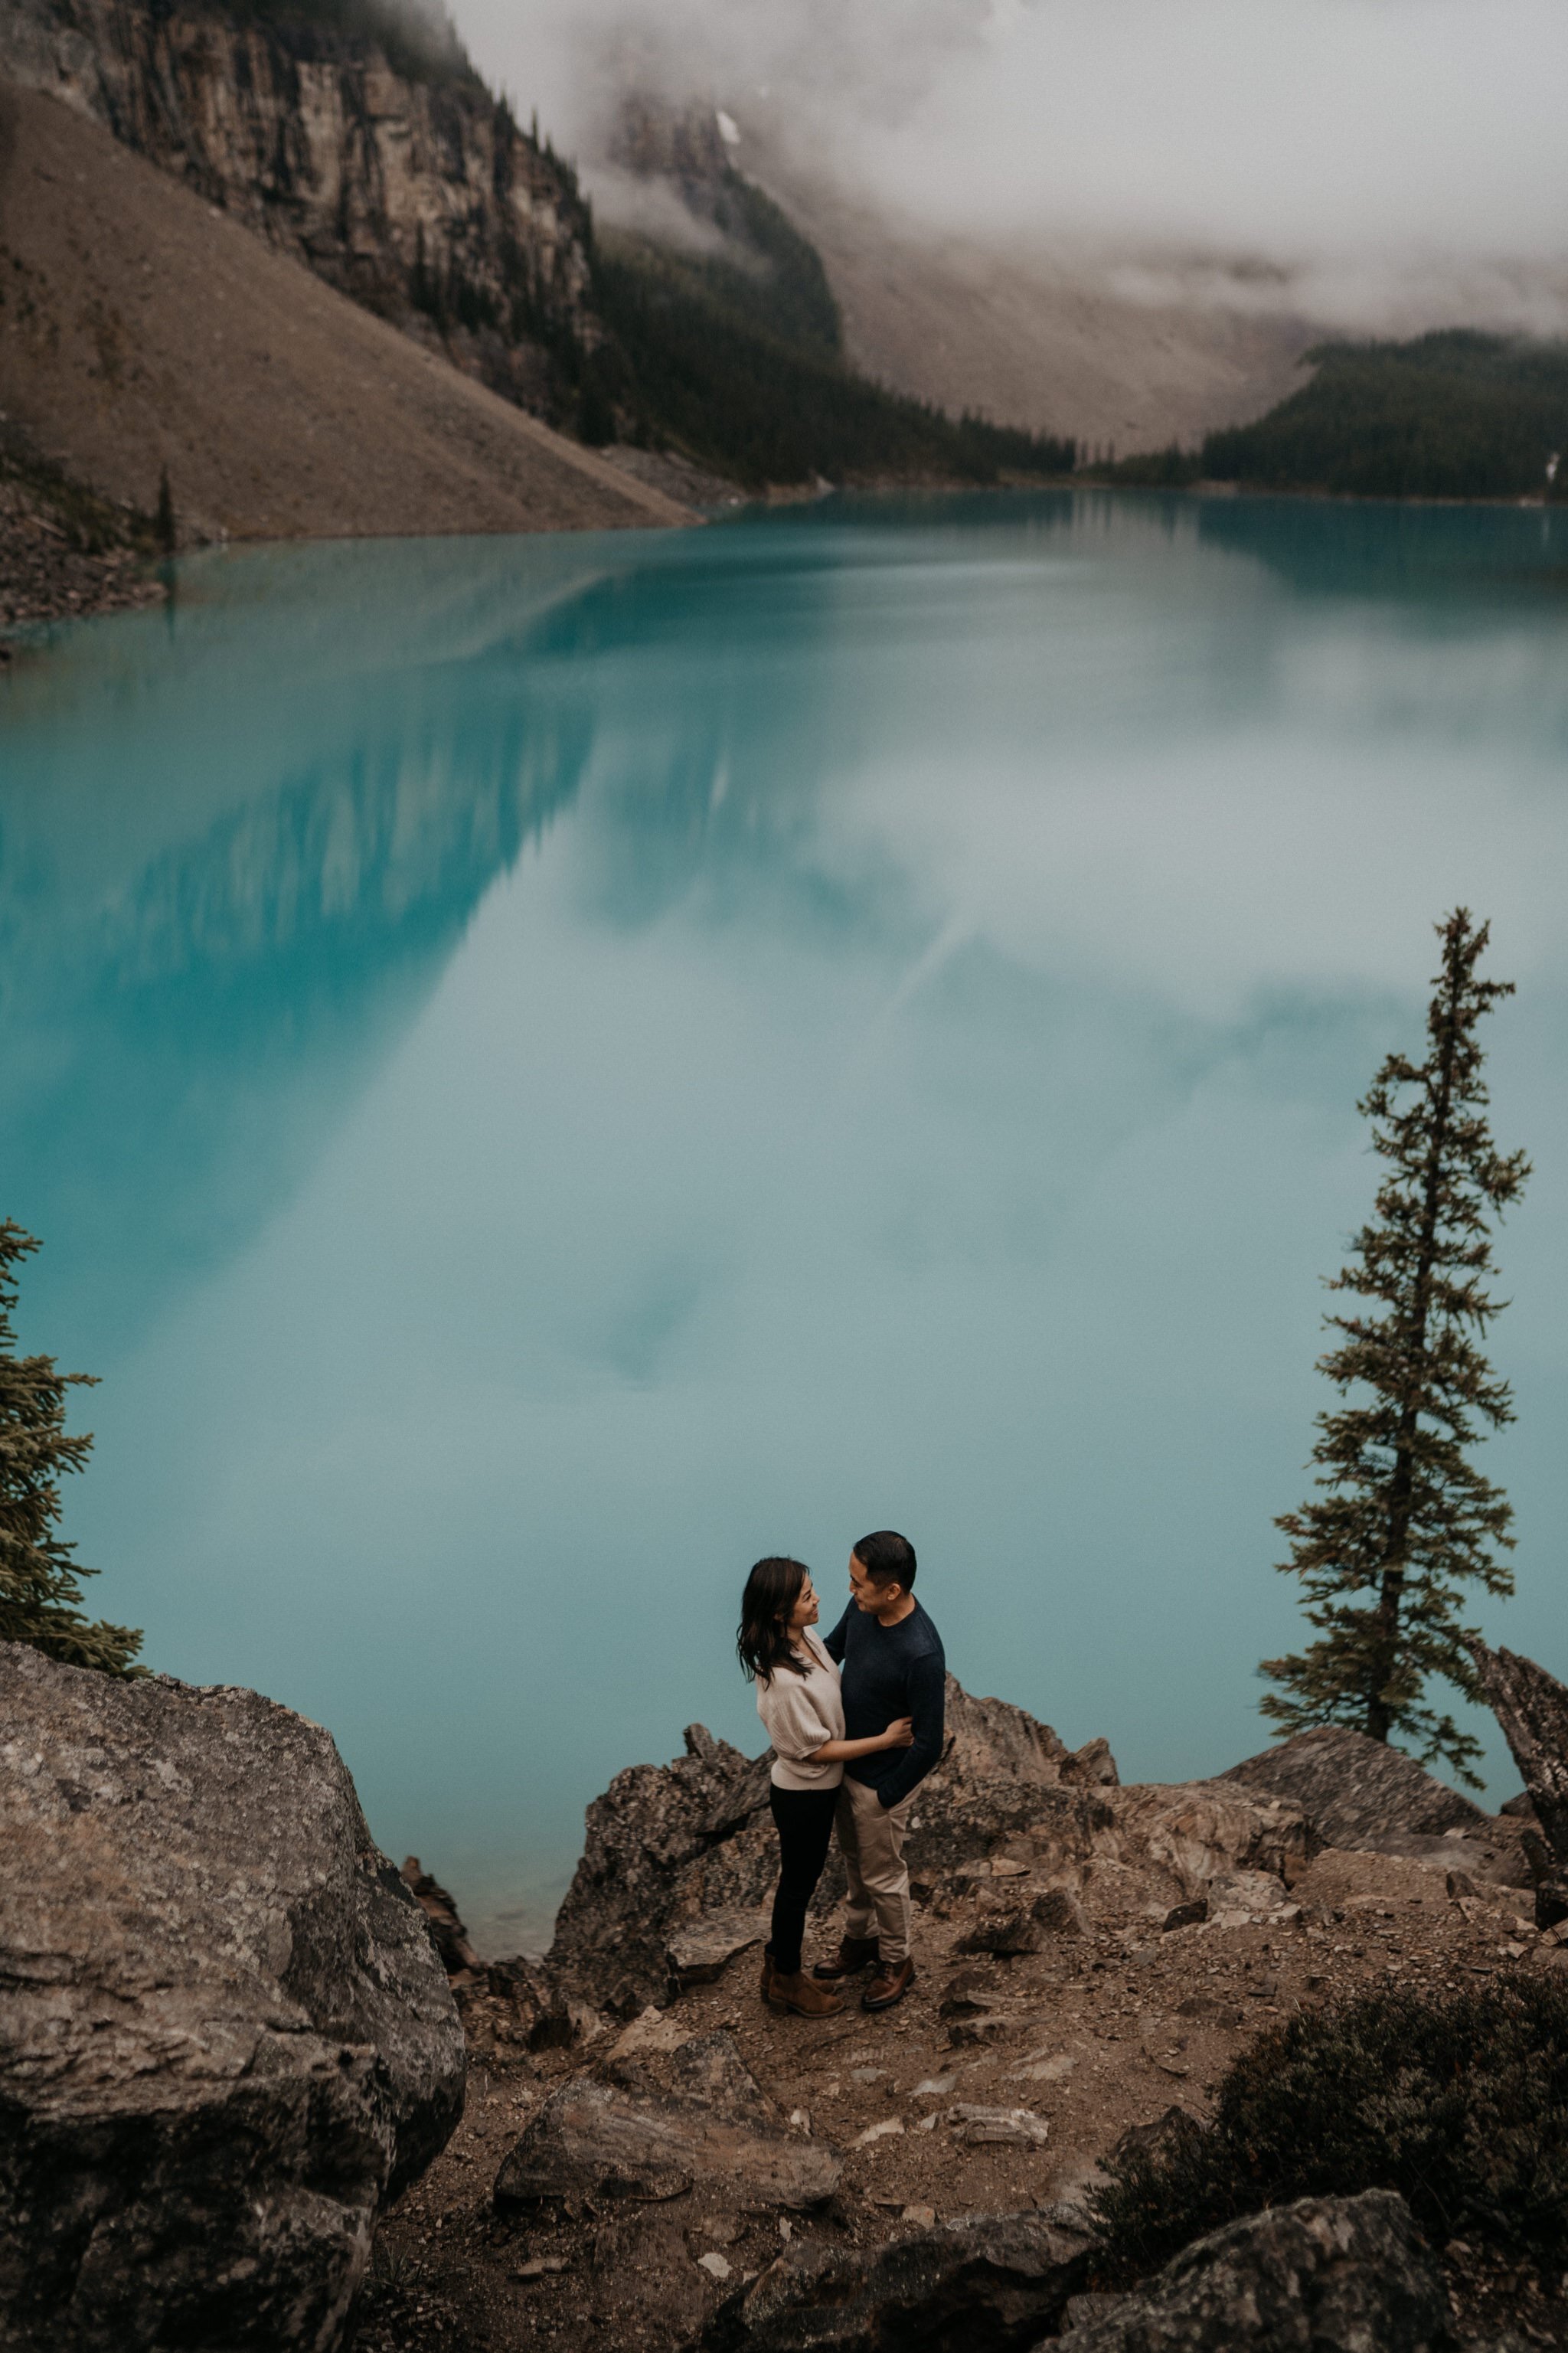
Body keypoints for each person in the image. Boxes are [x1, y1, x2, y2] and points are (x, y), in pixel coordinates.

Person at [737, 1556, 914, 2020]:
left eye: (812, 1589)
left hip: (816, 1792)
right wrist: (885, 1740)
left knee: (797, 1883)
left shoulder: (805, 1639)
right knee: (798, 1887)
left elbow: (843, 1648)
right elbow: (813, 1752)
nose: (818, 1599)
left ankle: (775, 1967)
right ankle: (788, 1980)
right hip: (803, 1796)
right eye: (806, 1596)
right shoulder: (783, 1682)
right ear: (779, 1613)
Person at [814, 1530, 945, 2012]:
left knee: (884, 1875)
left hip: (880, 1784)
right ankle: (861, 1941)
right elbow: (830, 1652)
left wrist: (886, 1795)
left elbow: (930, 1743)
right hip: (846, 1764)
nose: (850, 1591)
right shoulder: (863, 1611)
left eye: (858, 1584)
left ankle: (897, 1961)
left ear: (892, 1590)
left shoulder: (921, 1653)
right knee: (855, 1865)